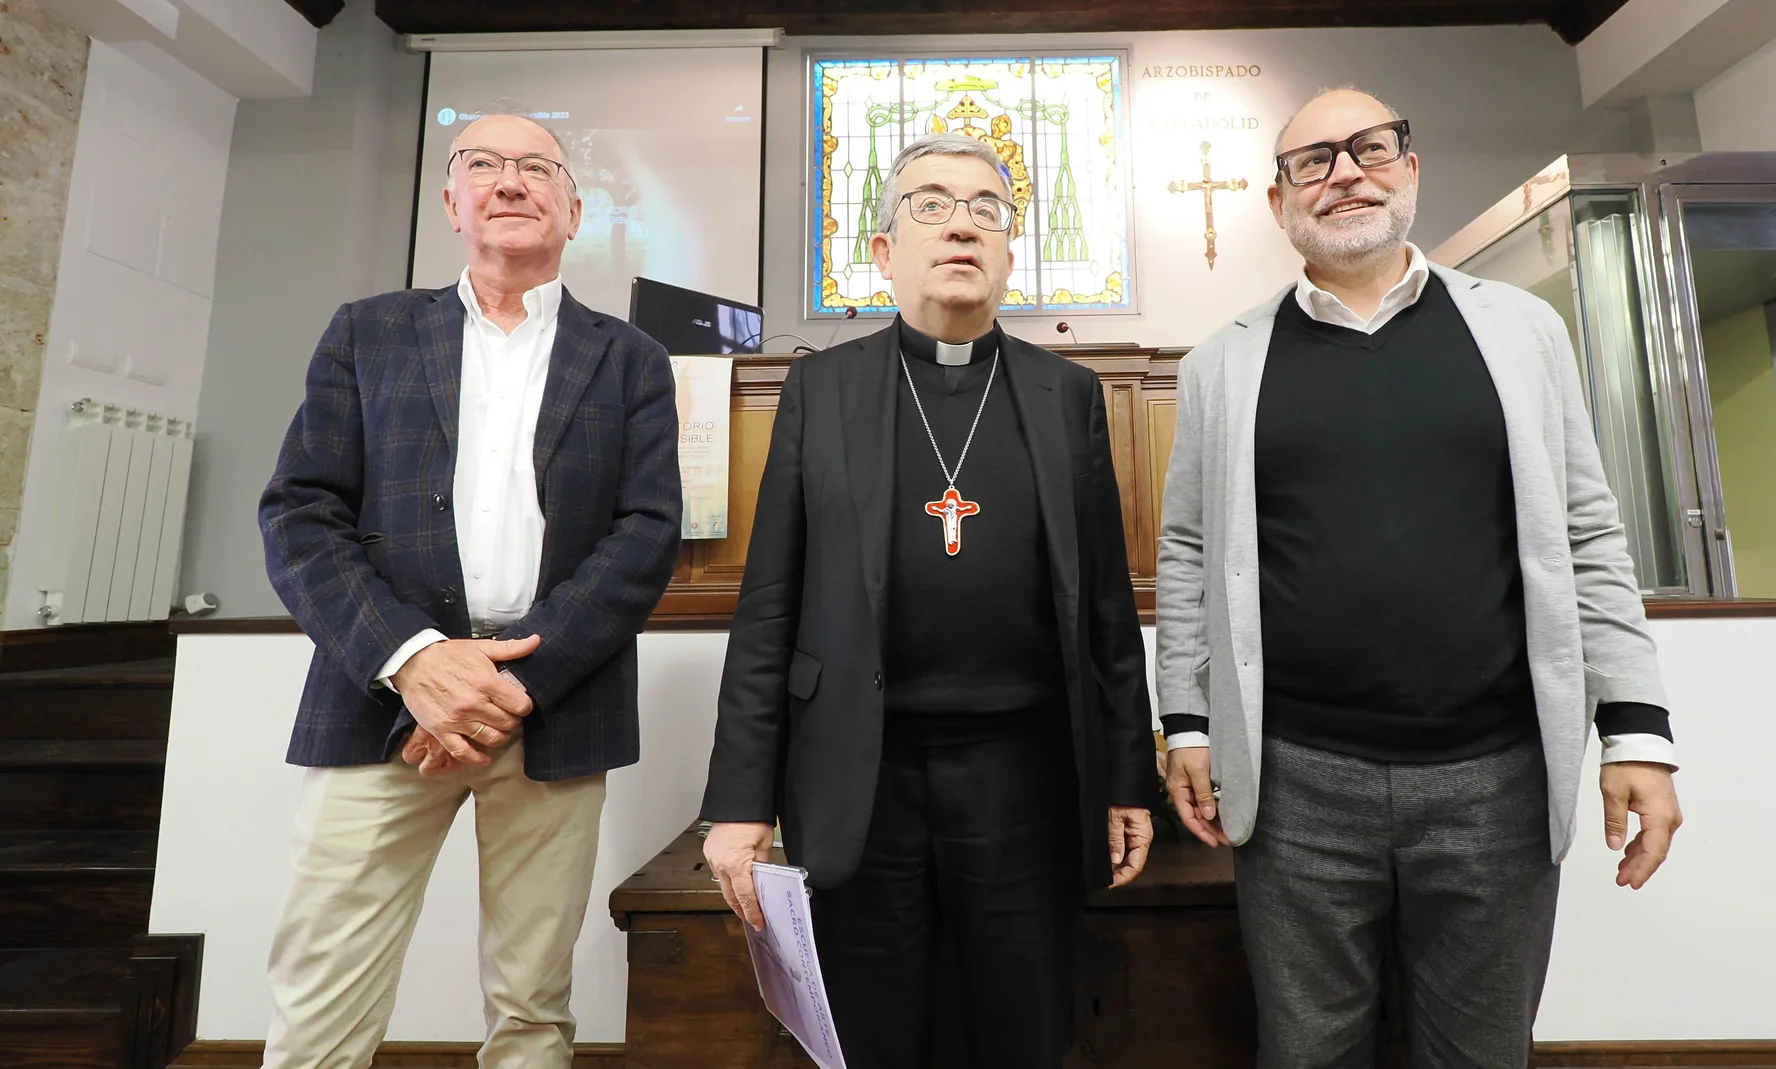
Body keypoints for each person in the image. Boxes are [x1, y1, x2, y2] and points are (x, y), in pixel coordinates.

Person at [1154, 88, 1685, 1069]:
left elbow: (1588, 533)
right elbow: (1186, 551)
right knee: (1308, 1050)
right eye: (1312, 160)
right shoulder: (1219, 366)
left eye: (1368, 147)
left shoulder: (1522, 333)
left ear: (1409, 166)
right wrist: (1185, 718)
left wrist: (1638, 732)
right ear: (1278, 202)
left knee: (1480, 1052)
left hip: (1495, 774)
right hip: (1294, 781)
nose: (1345, 172)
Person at [698, 133, 1155, 1069]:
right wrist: (739, 801)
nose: (963, 225)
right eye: (932, 204)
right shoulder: (822, 388)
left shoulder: (1066, 394)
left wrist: (1124, 777)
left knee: (1023, 1033)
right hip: (862, 778)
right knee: (870, 1039)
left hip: (1026, 775)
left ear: (1010, 251)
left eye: (988, 208)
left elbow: (1105, 607)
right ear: (882, 250)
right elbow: (769, 605)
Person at [256, 113, 681, 1068]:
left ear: (573, 208)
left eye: (537, 167)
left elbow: (645, 534)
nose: (510, 180)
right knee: (321, 989)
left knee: (534, 1003)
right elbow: (299, 512)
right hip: (379, 703)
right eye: (481, 163)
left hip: (554, 708)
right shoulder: (368, 331)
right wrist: (416, 661)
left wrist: (514, 683)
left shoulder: (631, 359)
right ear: (452, 201)